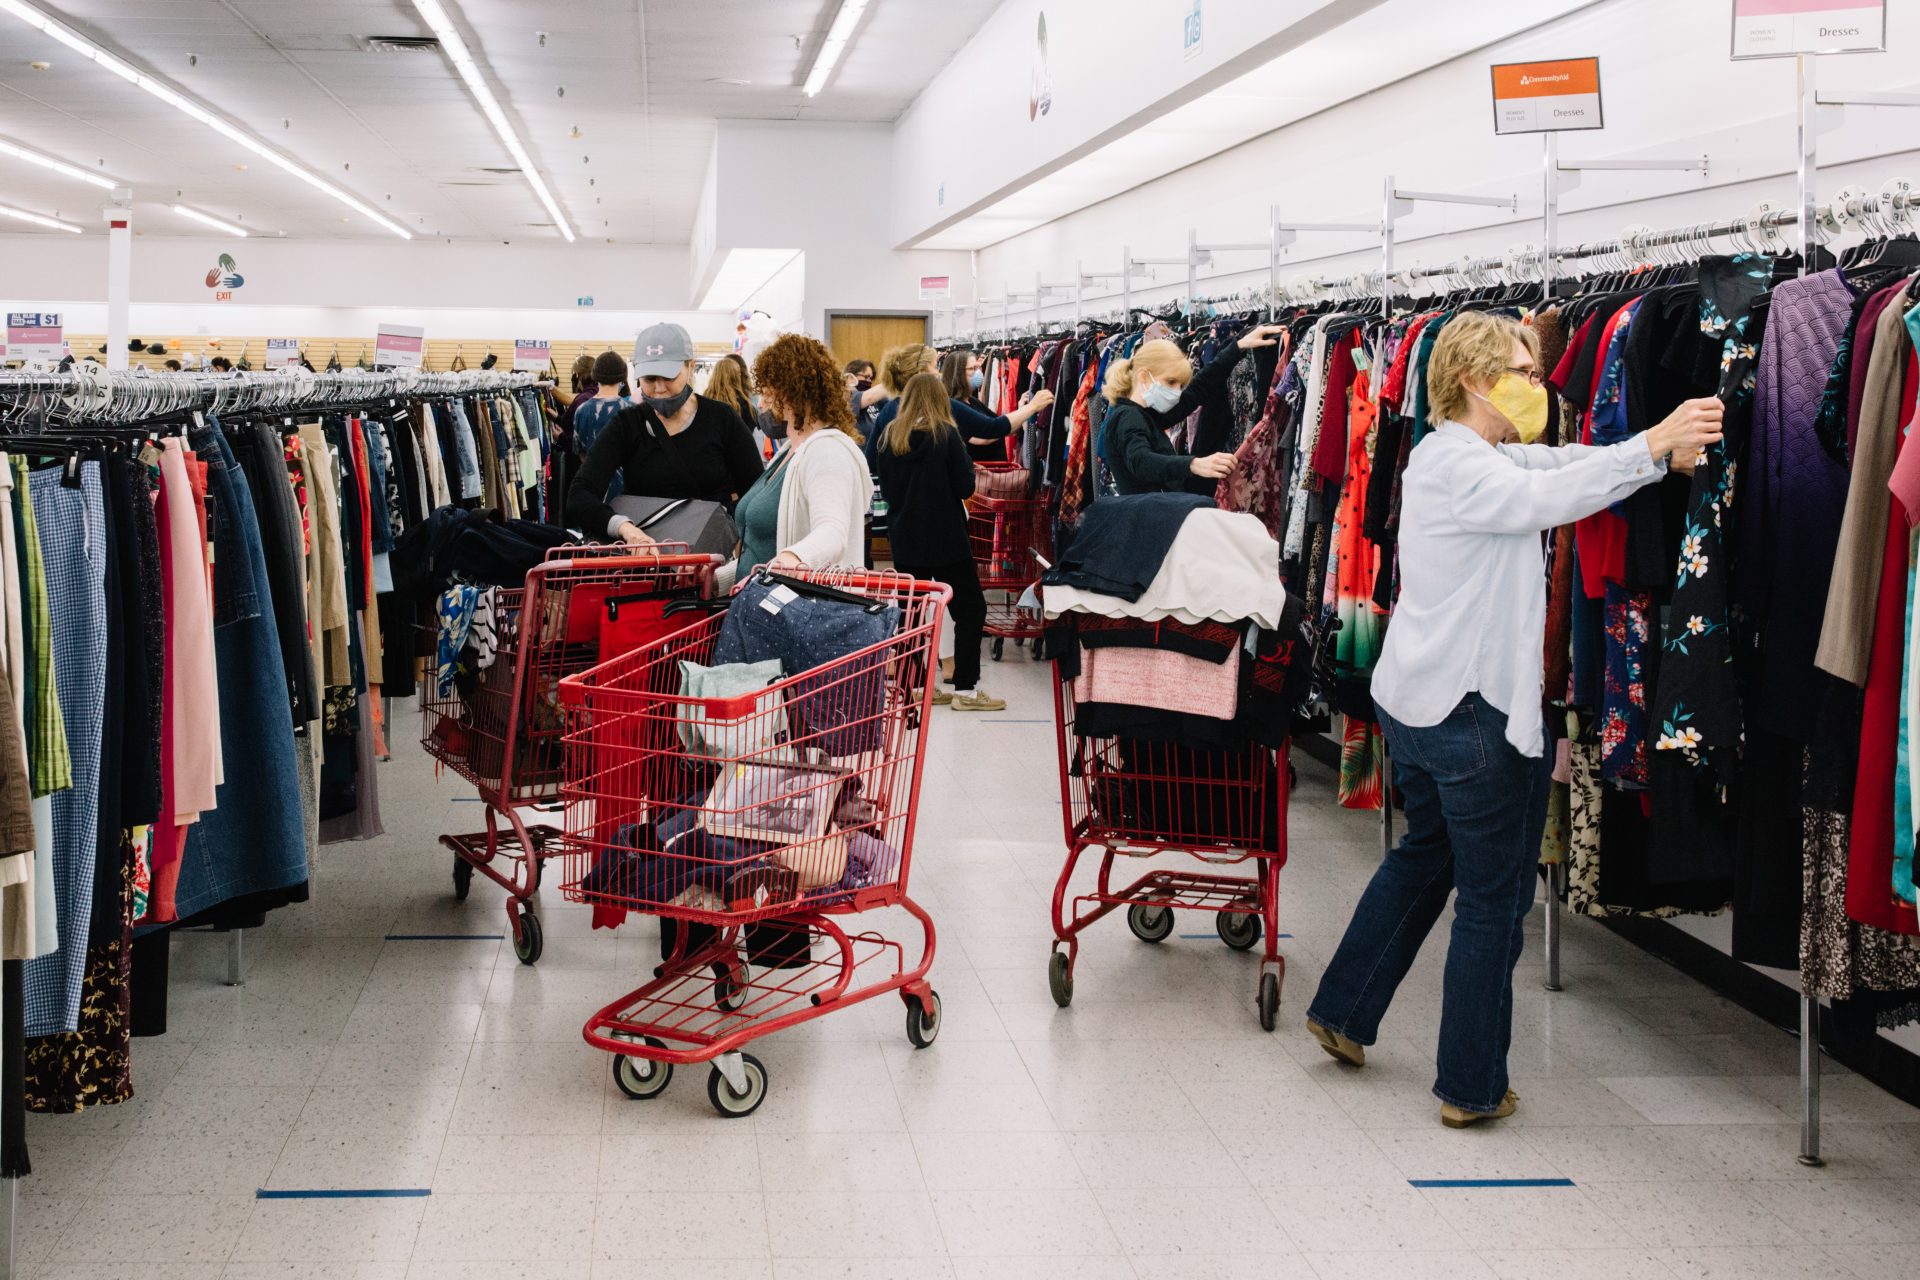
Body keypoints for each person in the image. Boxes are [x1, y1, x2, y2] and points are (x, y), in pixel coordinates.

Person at [1302, 312, 1724, 1128]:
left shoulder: (1446, 455)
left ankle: (1344, 1009)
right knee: (1493, 904)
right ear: (1473, 380)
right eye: (1525, 373)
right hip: (1471, 718)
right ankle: (1470, 1086)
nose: (1539, 386)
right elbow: (1547, 492)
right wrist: (1652, 444)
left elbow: (1562, 463)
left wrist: (1651, 452)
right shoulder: (1470, 472)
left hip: (1416, 708)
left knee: (1426, 857)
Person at [567, 322, 764, 546]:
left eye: (668, 377)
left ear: (690, 367)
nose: (659, 389)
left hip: (711, 563)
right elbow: (580, 494)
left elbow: (755, 494)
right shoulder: (627, 425)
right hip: (647, 563)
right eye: (649, 379)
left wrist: (729, 532)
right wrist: (623, 527)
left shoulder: (721, 419)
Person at [872, 372, 1001, 711]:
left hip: (905, 539)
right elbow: (965, 487)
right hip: (947, 540)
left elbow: (886, 490)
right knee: (970, 611)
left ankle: (914, 688)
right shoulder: (946, 435)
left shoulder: (888, 436)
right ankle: (966, 690)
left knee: (910, 615)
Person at [728, 333, 871, 582]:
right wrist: (719, 577)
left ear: (792, 392)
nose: (761, 404)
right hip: (762, 606)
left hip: (794, 611)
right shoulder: (789, 451)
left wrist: (790, 560)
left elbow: (832, 533)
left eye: (768, 393)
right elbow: (761, 550)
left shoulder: (827, 452)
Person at [1097, 325, 1282, 494]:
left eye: (1180, 385)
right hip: (1147, 522)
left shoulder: (1147, 414)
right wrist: (1193, 464)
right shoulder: (1127, 417)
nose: (1176, 392)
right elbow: (1141, 461)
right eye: (1170, 382)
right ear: (1144, 376)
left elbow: (1197, 390)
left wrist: (1239, 346)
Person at [865, 343, 1052, 468]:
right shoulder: (941, 406)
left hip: (900, 516)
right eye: (934, 366)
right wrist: (1032, 407)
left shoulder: (888, 411)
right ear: (922, 371)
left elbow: (872, 461)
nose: (938, 373)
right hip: (941, 512)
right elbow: (992, 428)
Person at [570, 351, 632, 497]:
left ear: (595, 376)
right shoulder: (633, 411)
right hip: (627, 490)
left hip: (594, 488)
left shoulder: (581, 411)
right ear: (623, 377)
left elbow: (580, 453)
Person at [939, 349, 1007, 463]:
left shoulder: (972, 401)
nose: (978, 372)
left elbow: (996, 420)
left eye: (978, 367)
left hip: (992, 472)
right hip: (980, 475)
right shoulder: (954, 407)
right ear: (957, 374)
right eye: (972, 369)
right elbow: (983, 438)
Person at [705, 353, 764, 455]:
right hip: (738, 458)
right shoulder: (745, 405)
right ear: (736, 376)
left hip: (711, 456)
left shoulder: (704, 402)